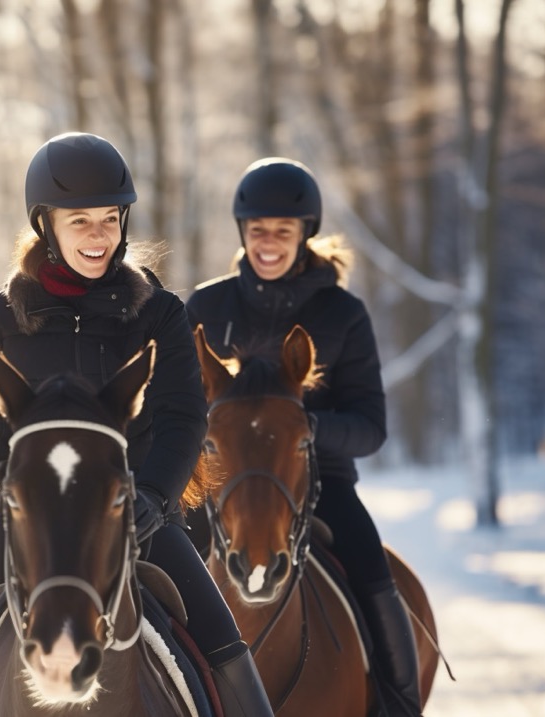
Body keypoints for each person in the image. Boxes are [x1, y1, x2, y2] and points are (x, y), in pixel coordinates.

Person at [0, 132, 273, 717]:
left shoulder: (160, 314)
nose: (99, 236)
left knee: (227, 652)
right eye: (80, 221)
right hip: (22, 520)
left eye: (110, 219)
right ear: (45, 225)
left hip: (138, 517)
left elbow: (183, 419)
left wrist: (153, 496)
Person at [185, 157, 423, 716]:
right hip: (221, 480)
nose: (268, 242)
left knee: (371, 569)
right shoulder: (205, 308)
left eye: (283, 230)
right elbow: (176, 408)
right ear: (242, 232)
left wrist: (306, 430)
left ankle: (398, 702)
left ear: (305, 234)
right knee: (158, 569)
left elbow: (371, 427)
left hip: (319, 479)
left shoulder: (343, 314)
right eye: (258, 229)